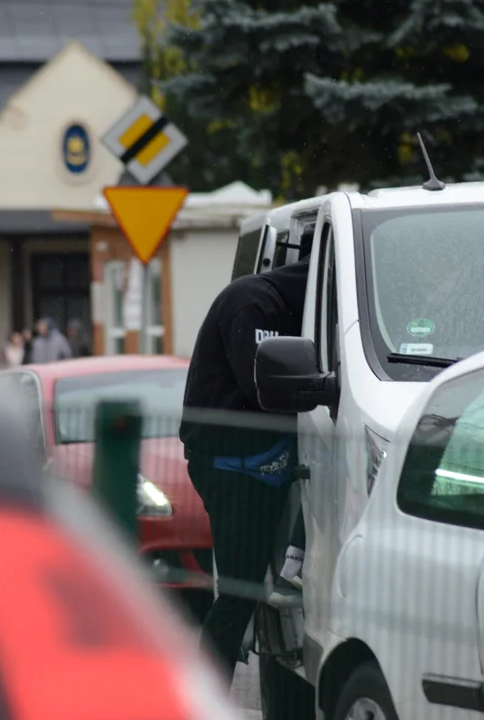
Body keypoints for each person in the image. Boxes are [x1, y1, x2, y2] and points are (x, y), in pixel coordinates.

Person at [178, 246, 310, 681]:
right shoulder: (255, 305)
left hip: (240, 460)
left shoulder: (263, 301)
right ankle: (204, 703)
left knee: (243, 590)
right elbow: (264, 390)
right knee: (239, 592)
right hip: (235, 465)